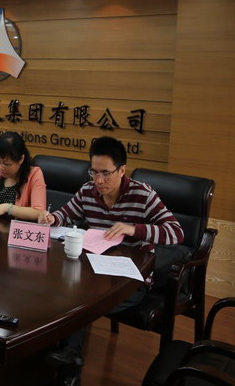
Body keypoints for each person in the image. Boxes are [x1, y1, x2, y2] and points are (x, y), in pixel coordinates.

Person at [37, 136, 183, 386]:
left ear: (122, 170)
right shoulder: (88, 191)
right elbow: (66, 213)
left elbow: (176, 232)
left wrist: (134, 229)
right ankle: (59, 359)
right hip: (92, 271)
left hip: (130, 277)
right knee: (58, 291)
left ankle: (69, 367)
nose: (99, 180)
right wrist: (52, 218)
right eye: (94, 172)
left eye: (105, 173)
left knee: (79, 302)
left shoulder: (142, 194)